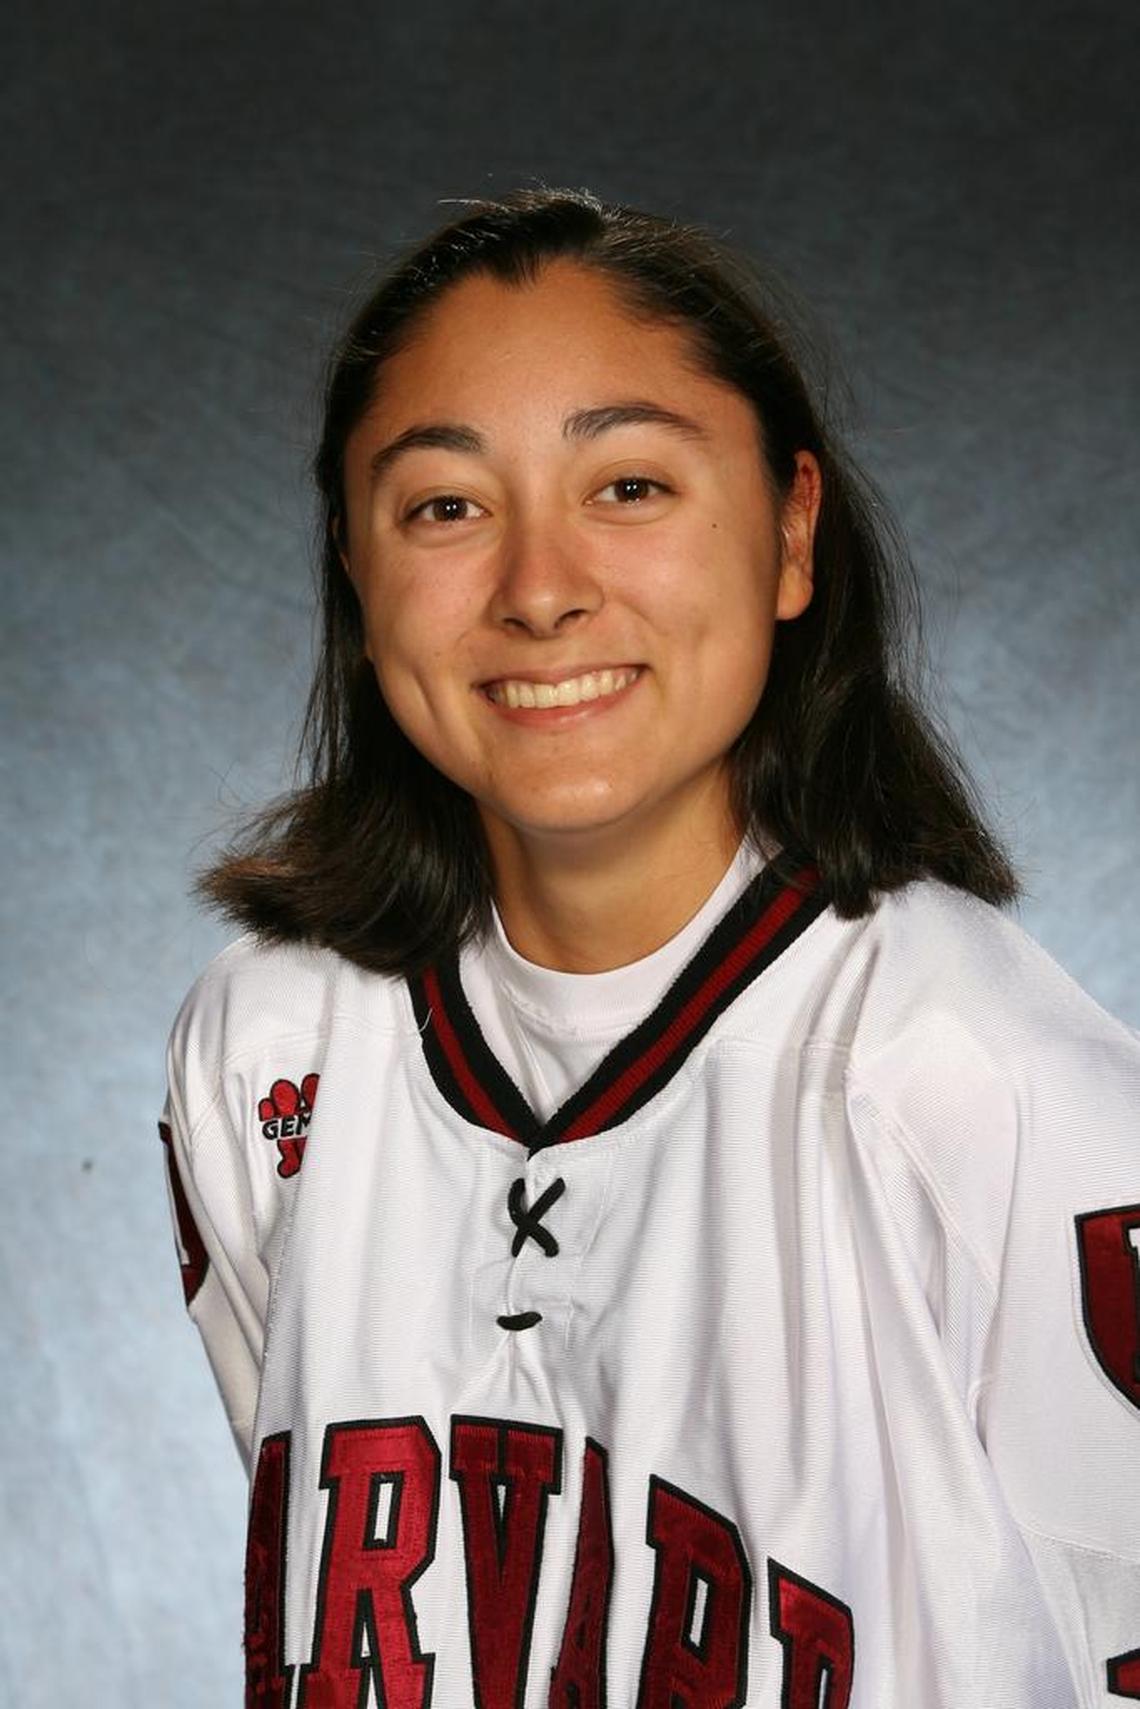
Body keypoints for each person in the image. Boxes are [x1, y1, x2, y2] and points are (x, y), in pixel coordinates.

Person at [160, 189, 1140, 1707]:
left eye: (628, 486)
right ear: (355, 578)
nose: (541, 589)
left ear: (792, 533)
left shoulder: (982, 1079)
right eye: (444, 506)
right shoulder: (266, 1043)